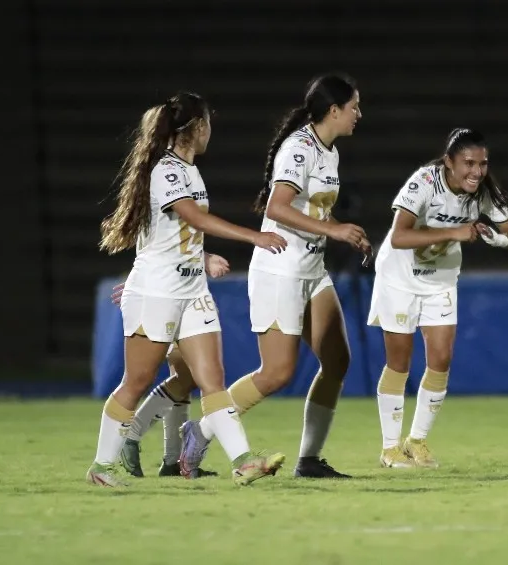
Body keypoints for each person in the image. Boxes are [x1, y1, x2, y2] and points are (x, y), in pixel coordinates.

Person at [87, 91, 289, 487]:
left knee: (211, 379)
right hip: (157, 292)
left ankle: (244, 461)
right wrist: (255, 237)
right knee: (137, 381)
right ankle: (101, 465)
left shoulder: (188, 170)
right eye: (209, 123)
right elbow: (193, 216)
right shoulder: (166, 170)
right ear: (197, 127)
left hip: (191, 290)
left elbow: (178, 232)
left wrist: (204, 256)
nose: (211, 130)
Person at [180, 73, 369, 480]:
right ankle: (199, 431)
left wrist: (343, 230)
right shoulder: (298, 149)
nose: (359, 114)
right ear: (333, 110)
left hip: (311, 271)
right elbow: (278, 208)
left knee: (337, 361)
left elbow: (311, 211)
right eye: (354, 106)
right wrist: (335, 230)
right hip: (280, 270)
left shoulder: (329, 152)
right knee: (277, 373)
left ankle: (310, 459)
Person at [370, 128, 508, 469]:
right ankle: (389, 448)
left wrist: (500, 241)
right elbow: (398, 236)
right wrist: (455, 232)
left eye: (482, 164)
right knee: (399, 363)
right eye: (468, 163)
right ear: (449, 162)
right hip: (400, 279)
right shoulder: (424, 182)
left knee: (440, 360)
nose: (476, 171)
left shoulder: (484, 191)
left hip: (440, 280)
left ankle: (417, 441)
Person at [109, 252, 230, 478]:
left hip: (179, 292)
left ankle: (172, 461)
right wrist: (204, 258)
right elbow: (167, 246)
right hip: (174, 299)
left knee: (183, 379)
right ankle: (133, 433)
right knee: (188, 377)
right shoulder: (179, 217)